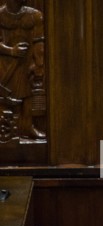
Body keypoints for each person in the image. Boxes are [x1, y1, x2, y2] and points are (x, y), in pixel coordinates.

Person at [0, 0, 45, 139]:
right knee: (3, 96)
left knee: (27, 94)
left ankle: (27, 126)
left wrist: (39, 64)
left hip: (26, 63)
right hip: (4, 65)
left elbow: (39, 42)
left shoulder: (34, 15)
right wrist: (11, 51)